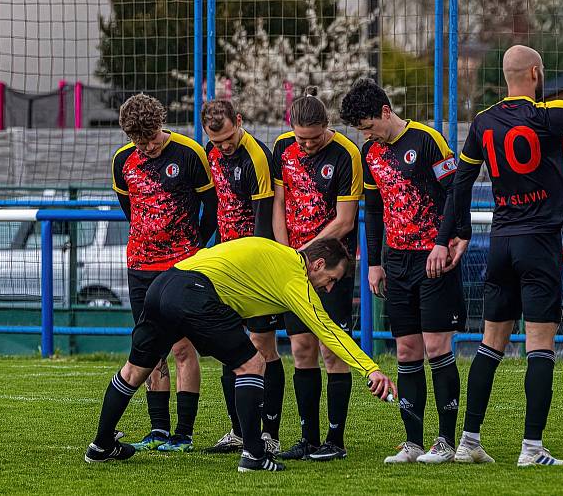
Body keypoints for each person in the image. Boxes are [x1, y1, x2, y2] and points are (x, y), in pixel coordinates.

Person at [83, 237, 397, 474]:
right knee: (253, 362)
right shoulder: (293, 273)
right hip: (194, 291)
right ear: (316, 264)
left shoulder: (277, 255)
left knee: (134, 371)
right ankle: (254, 455)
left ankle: (100, 445)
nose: (330, 288)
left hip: (164, 284)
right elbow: (327, 329)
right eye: (332, 278)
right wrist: (371, 369)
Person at [452, 27, 563, 466]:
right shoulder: (548, 116)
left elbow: (461, 182)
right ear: (534, 72)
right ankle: (532, 448)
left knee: (489, 343)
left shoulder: (483, 122)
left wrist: (457, 231)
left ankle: (469, 441)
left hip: (501, 243)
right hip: (540, 244)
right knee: (540, 345)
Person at [340, 79, 467, 464]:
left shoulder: (428, 140)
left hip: (433, 258)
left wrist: (447, 241)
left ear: (385, 111)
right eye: (360, 131)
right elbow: (374, 209)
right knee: (407, 350)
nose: (366, 134)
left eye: (368, 126)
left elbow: (455, 193)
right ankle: (413, 442)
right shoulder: (369, 153)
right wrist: (374, 262)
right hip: (396, 261)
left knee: (436, 347)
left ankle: (445, 441)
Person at [111, 93, 217, 453]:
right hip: (140, 265)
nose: (151, 146)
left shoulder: (189, 153)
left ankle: (183, 433)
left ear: (161, 124)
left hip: (181, 265)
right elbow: (130, 208)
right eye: (142, 142)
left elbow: (211, 207)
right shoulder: (122, 162)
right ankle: (158, 429)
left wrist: (194, 247)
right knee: (150, 349)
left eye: (154, 137)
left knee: (184, 347)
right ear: (130, 138)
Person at [272, 87, 362, 462]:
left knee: (332, 349)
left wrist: (306, 253)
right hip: (295, 266)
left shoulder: (347, 154)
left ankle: (335, 440)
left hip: (330, 268)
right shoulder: (282, 148)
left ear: (328, 127)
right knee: (301, 348)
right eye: (300, 139)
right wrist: (285, 253)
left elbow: (345, 220)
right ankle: (308, 438)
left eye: (314, 139)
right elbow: (279, 203)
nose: (306, 146)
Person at [198, 99, 284, 456]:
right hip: (225, 264)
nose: (223, 146)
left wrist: (258, 271)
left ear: (239, 121)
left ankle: (270, 434)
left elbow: (263, 220)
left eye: (228, 138)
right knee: (228, 347)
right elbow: (213, 207)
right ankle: (236, 430)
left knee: (263, 347)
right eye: (216, 141)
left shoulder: (257, 157)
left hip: (253, 267)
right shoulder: (211, 152)